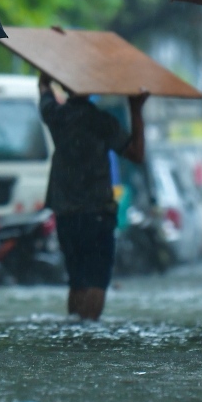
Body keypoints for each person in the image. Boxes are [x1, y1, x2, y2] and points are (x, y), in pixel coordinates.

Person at [38, 73, 148, 321]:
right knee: (96, 281)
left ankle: (75, 342)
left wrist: (45, 78)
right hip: (97, 214)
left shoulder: (56, 116)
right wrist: (136, 109)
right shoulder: (102, 122)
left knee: (76, 282)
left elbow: (43, 91)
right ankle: (88, 340)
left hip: (66, 215)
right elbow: (137, 154)